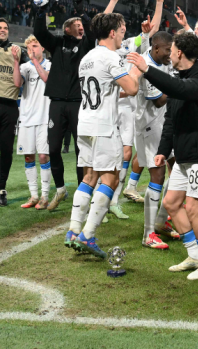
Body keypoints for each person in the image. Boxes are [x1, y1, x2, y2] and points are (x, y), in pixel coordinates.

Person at [129, 32, 198, 280]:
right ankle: (194, 255)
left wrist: (147, 69)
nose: (169, 56)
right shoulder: (181, 75)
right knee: (172, 204)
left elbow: (182, 90)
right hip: (184, 153)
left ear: (180, 52)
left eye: (171, 51)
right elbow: (170, 119)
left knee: (193, 208)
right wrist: (163, 151)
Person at [34, 0, 124, 211]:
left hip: (78, 106)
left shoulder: (86, 47)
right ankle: (61, 189)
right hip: (56, 103)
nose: (80, 27)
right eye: (75, 24)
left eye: (81, 24)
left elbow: (97, 26)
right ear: (66, 29)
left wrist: (104, 4)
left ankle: (82, 193)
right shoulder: (56, 44)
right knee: (53, 149)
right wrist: (43, 9)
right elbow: (39, 31)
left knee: (80, 154)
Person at [65, 13, 141, 257]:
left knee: (89, 176)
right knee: (110, 179)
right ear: (112, 32)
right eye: (122, 30)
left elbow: (104, 91)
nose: (123, 35)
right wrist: (137, 71)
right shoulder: (110, 57)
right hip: (104, 126)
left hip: (85, 122)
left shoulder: (87, 57)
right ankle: (88, 236)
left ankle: (73, 231)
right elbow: (131, 88)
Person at [115, 0, 164, 209]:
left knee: (129, 152)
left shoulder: (133, 44)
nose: (123, 28)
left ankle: (119, 194)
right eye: (119, 26)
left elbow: (151, 32)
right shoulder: (105, 50)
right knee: (114, 155)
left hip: (130, 105)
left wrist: (159, 3)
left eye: (125, 25)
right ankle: (111, 195)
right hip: (111, 104)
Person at [132, 31, 180, 249]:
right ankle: (148, 234)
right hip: (149, 126)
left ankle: (160, 222)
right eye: (168, 50)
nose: (170, 54)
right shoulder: (146, 65)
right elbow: (160, 100)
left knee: (178, 171)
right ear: (156, 48)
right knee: (158, 175)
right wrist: (179, 86)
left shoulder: (164, 60)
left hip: (165, 125)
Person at [14, 36, 51, 209]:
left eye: (35, 46)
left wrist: (35, 61)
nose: (32, 51)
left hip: (45, 117)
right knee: (29, 156)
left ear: (42, 48)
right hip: (27, 118)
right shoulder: (24, 67)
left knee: (43, 156)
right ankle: (34, 196)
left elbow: (47, 80)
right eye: (29, 48)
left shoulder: (50, 65)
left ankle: (45, 196)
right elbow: (16, 83)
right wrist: (16, 62)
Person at [0, 19, 27, 206]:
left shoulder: (17, 51)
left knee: (6, 149)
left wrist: (17, 61)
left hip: (9, 106)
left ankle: (1, 188)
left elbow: (19, 83)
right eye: (0, 28)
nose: (3, 31)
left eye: (5, 28)